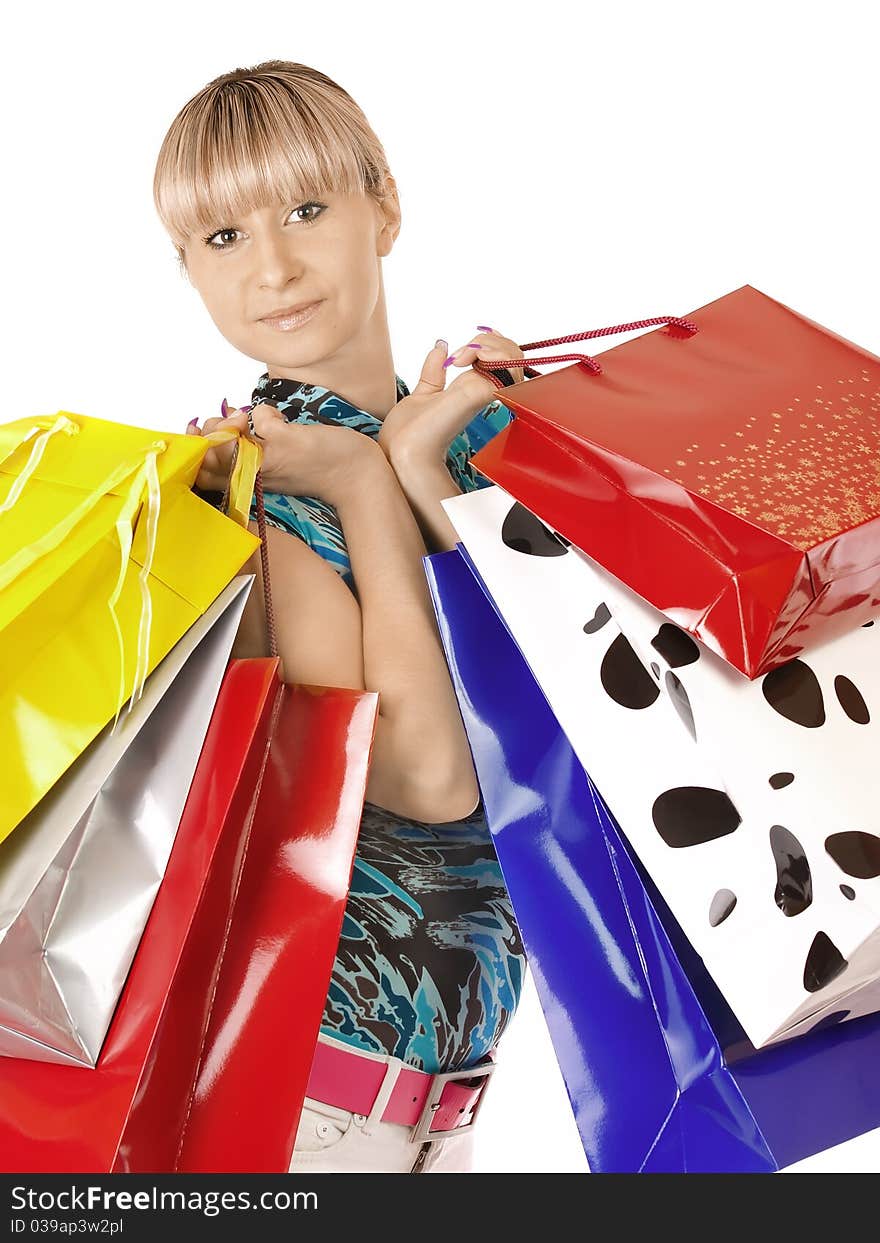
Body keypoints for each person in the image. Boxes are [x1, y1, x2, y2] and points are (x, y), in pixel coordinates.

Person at [153, 59, 527, 1173]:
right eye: (221, 239)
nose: (272, 266)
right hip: (304, 1108)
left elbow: (580, 722)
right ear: (187, 269)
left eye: (307, 210)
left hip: (435, 1110)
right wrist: (368, 484)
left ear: (386, 206)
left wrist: (430, 465)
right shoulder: (247, 494)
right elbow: (429, 777)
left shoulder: (467, 434)